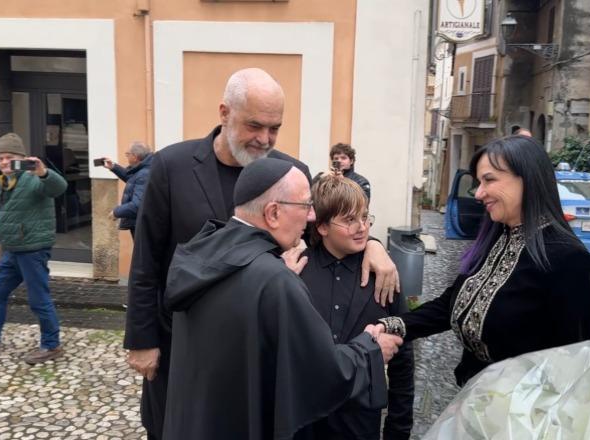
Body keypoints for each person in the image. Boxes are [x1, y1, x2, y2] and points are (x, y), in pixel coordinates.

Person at [124, 67, 399, 439]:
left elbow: (325, 227)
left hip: (257, 356)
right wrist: (143, 340)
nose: (264, 139)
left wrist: (373, 245)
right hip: (187, 345)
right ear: (224, 113)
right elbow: (147, 261)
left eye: (275, 128)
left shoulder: (291, 172)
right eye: (255, 126)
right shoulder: (172, 166)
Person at [162, 157, 403, 439]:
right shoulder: (274, 280)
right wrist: (371, 348)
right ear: (273, 213)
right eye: (305, 206)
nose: (312, 216)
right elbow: (324, 373)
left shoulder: (205, 254)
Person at [376, 135, 590, 386]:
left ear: (527, 179)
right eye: (478, 182)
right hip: (473, 400)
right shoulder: (496, 238)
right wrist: (392, 326)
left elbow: (571, 365)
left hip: (520, 417)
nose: (479, 193)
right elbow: (451, 305)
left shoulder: (570, 261)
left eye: (489, 180)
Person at [300, 175, 414, 440]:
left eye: (365, 217)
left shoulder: (384, 275)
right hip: (305, 423)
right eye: (349, 220)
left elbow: (403, 362)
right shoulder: (297, 271)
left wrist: (398, 431)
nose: (362, 227)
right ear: (323, 226)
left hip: (361, 425)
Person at [0, 133, 68, 365]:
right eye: (1, 158)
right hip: (13, 250)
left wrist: (43, 172)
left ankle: (52, 344)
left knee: (38, 299)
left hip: (33, 249)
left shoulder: (33, 177)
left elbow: (59, 187)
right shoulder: (1, 183)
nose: (5, 162)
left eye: (10, 157)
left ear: (22, 158)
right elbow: (0, 214)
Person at [100, 141, 154, 238]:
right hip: (142, 221)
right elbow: (132, 179)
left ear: (135, 156)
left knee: (141, 252)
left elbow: (138, 205)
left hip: (141, 223)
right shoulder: (144, 168)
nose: (126, 156)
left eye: (127, 154)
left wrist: (117, 212)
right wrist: (113, 167)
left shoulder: (144, 174)